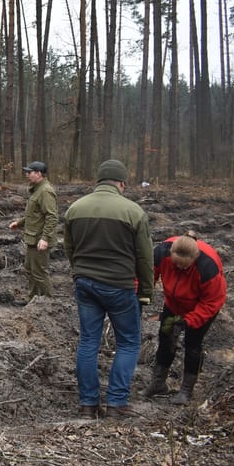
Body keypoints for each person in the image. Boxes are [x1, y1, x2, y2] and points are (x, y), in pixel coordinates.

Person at [63, 159, 154, 420]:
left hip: (85, 284)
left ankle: (87, 406)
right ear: (122, 183)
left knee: (88, 342)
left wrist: (77, 272)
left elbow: (69, 248)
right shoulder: (133, 211)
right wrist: (146, 291)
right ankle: (116, 404)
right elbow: (145, 258)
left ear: (99, 181)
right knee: (127, 342)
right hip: (119, 286)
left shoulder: (75, 209)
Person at [143, 233, 227, 404]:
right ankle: (158, 382)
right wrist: (140, 295)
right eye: (176, 265)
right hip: (174, 303)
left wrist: (188, 321)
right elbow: (147, 275)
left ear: (194, 258)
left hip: (200, 306)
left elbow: (212, 302)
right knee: (165, 338)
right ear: (170, 254)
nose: (179, 268)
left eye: (184, 267)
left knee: (193, 344)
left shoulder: (207, 268)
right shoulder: (161, 253)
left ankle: (186, 390)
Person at [8, 161, 58, 302]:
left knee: (40, 272)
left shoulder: (45, 191)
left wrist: (45, 238)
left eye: (29, 172)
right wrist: (19, 223)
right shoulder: (37, 189)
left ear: (39, 174)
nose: (27, 174)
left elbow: (52, 217)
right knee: (30, 269)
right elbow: (34, 214)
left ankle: (49, 302)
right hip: (32, 238)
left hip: (39, 240)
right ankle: (33, 299)